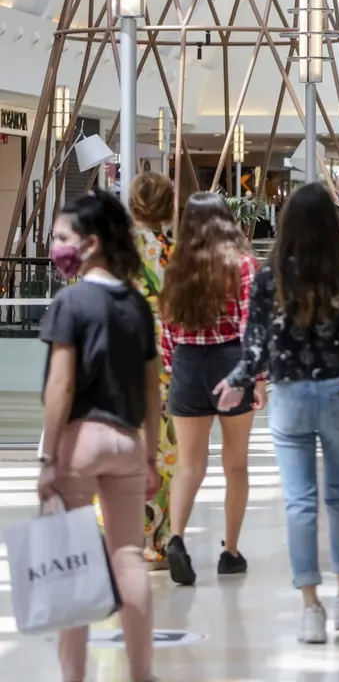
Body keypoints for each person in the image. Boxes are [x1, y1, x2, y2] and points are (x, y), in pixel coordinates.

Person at [215, 182, 339, 643]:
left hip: (290, 397)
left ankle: (310, 607)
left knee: (299, 503)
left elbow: (256, 346)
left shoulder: (270, 278)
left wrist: (237, 381)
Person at [37, 190, 160, 682]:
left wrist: (47, 456)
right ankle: (142, 672)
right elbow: (153, 390)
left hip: (79, 443)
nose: (56, 245)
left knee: (71, 562)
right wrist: (150, 455)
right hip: (128, 441)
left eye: (62, 237)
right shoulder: (136, 302)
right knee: (128, 554)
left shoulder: (70, 302)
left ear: (89, 244)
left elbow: (60, 385)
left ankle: (73, 676)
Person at [159, 193, 265, 586]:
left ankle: (176, 539)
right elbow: (250, 325)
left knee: (190, 465)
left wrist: (175, 369)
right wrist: (256, 377)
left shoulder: (178, 267)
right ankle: (231, 553)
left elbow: (167, 327)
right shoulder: (243, 265)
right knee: (234, 464)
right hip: (231, 362)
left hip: (187, 363)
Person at [128, 171, 178, 568]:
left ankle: (117, 534)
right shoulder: (176, 254)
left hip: (121, 357)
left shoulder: (112, 254)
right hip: (168, 362)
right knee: (164, 452)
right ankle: (158, 541)